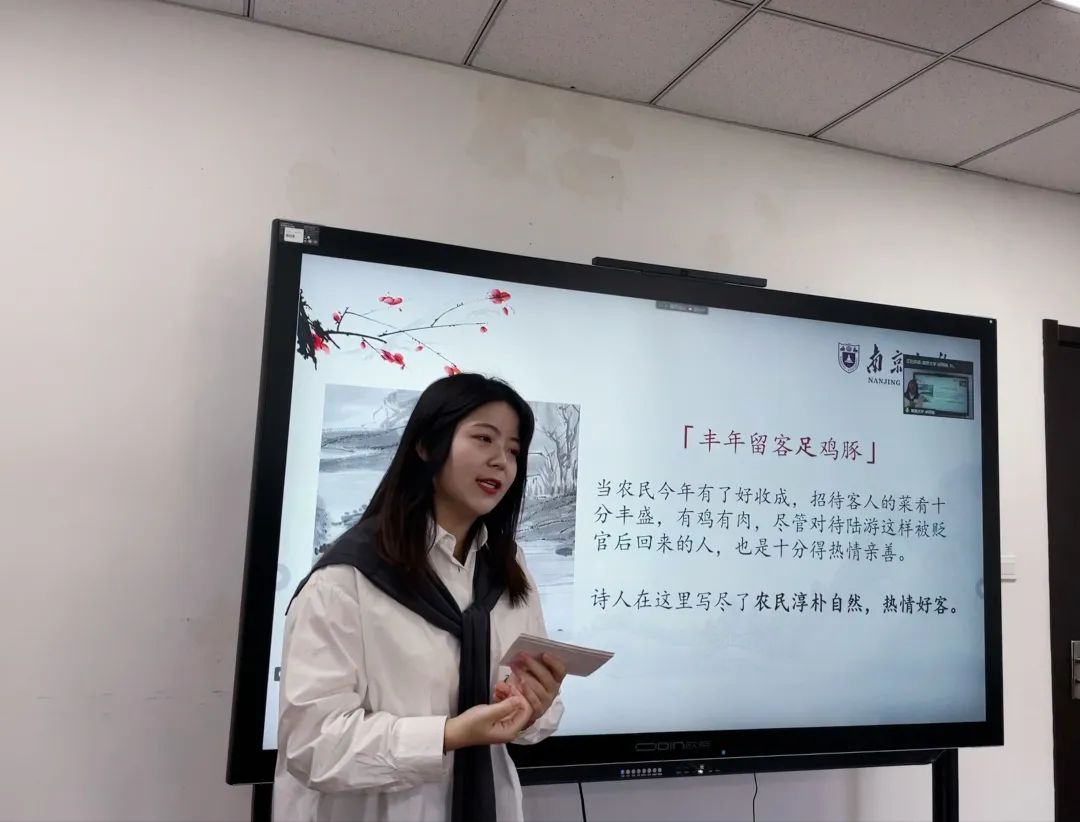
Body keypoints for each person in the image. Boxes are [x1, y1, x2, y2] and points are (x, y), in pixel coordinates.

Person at [273, 373, 566, 822]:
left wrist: (533, 709)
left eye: (513, 450)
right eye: (484, 439)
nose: (501, 462)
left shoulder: (510, 567)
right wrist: (446, 736)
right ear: (426, 446)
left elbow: (535, 716)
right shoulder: (347, 577)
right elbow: (311, 744)